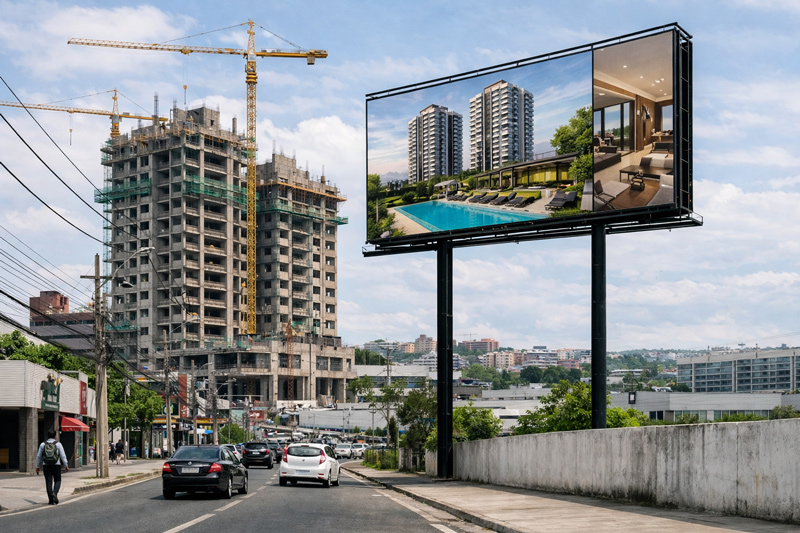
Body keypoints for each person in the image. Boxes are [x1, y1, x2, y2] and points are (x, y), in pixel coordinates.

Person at [36, 429, 69, 505]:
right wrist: (66, 465)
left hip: (46, 465)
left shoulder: (42, 444)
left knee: (48, 482)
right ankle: (55, 493)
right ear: (55, 436)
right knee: (58, 480)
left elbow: (39, 456)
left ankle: (50, 500)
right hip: (56, 465)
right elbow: (63, 456)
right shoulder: (58, 444)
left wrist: (37, 466)